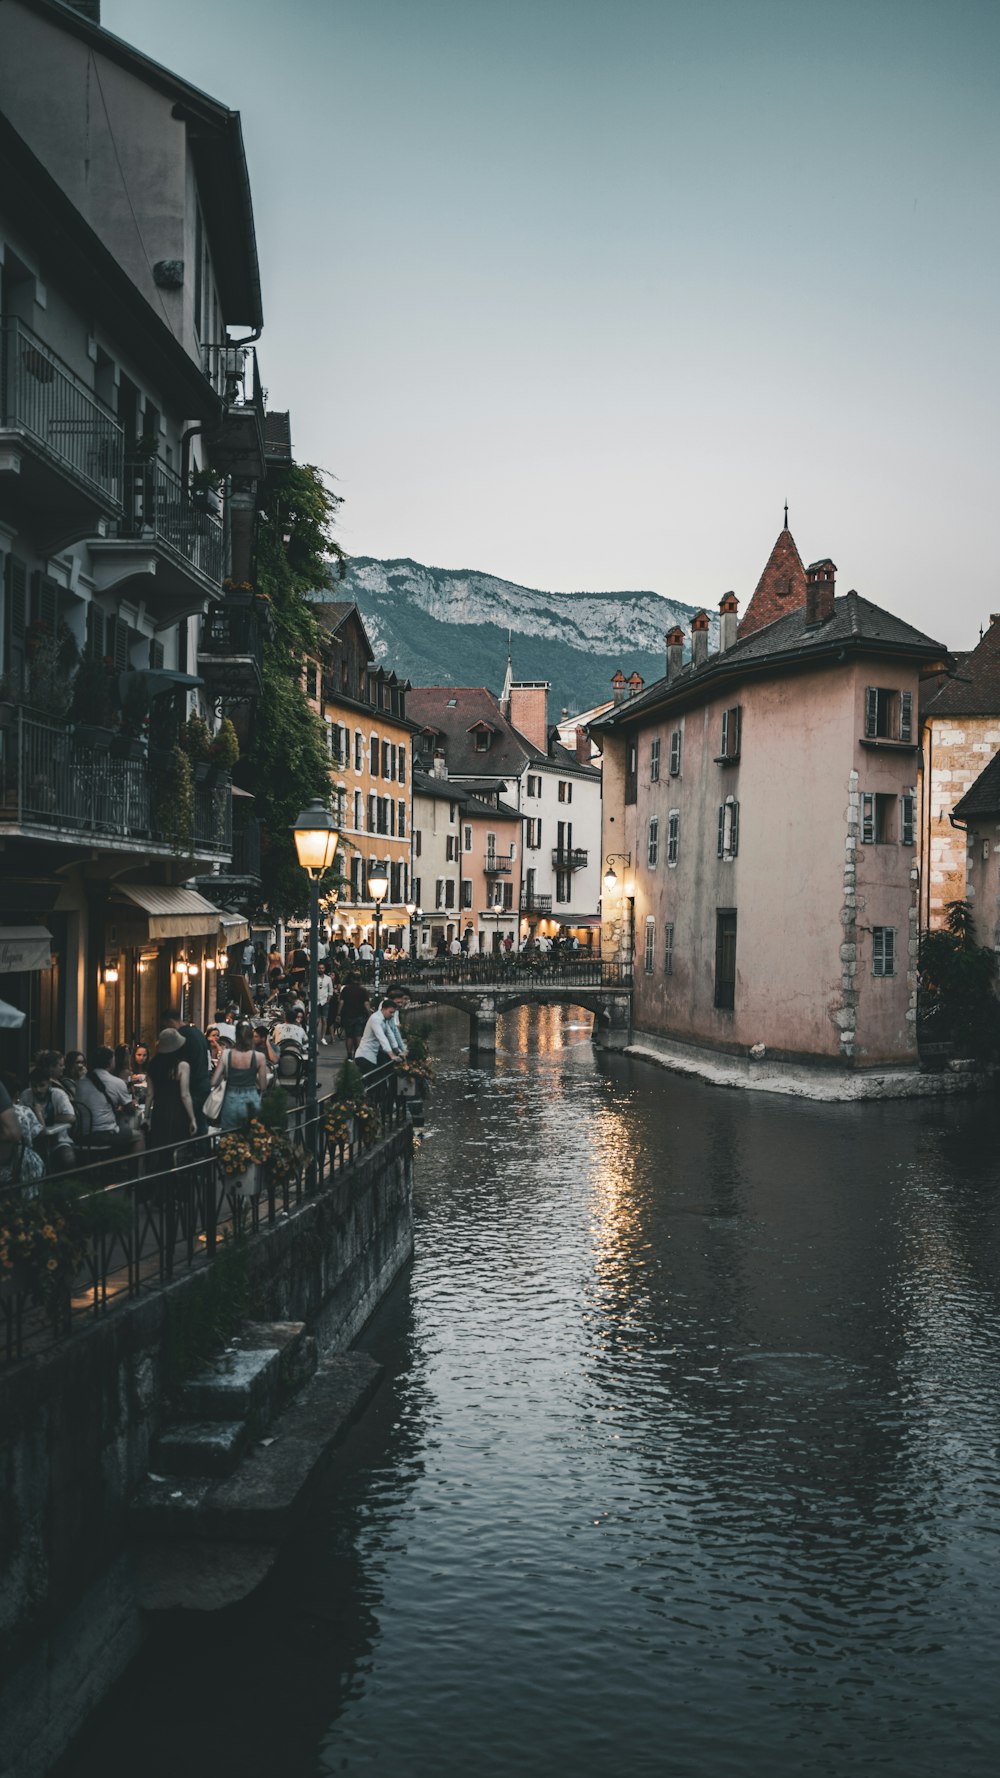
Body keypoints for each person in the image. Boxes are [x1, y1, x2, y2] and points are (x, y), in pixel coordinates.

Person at [76, 1047, 143, 1158]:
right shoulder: (116, 1082)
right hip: (104, 1135)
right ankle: (136, 1174)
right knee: (139, 1136)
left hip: (81, 1135)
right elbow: (130, 1110)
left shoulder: (81, 1081)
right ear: (111, 1061)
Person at [146, 1029, 197, 1154]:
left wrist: (147, 1116)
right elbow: (185, 1095)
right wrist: (192, 1118)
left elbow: (149, 1094)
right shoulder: (182, 1066)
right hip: (177, 1111)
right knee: (177, 1149)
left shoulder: (152, 1064)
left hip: (159, 1110)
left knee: (160, 1148)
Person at [210, 1020, 268, 1130]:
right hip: (251, 1099)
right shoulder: (259, 1057)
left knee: (229, 1136)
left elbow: (213, 1082)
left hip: (230, 1100)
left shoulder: (226, 1054)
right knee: (251, 1134)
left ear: (236, 1036)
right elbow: (263, 1086)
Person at [162, 1007, 211, 1134]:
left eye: (166, 1026)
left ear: (171, 1022)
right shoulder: (197, 1032)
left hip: (192, 1085)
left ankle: (195, 1151)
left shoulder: (181, 1036)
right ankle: (203, 1151)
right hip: (203, 1082)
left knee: (190, 1124)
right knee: (201, 1122)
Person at [21, 1067, 76, 1171]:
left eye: (42, 1085)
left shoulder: (58, 1094)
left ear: (49, 1084)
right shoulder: (26, 1095)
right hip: (34, 1141)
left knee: (68, 1158)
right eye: (34, 1086)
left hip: (59, 1140)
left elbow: (71, 1117)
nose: (38, 1090)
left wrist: (44, 1117)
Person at [355, 996, 407, 1074]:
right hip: (365, 1055)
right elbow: (382, 1038)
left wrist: (399, 1051)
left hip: (371, 1056)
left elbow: (391, 1036)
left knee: (378, 1081)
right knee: (375, 1083)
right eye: (391, 1012)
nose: (392, 1015)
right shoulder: (375, 1019)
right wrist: (392, 1055)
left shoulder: (384, 1020)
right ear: (383, 1009)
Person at [338, 973, 371, 1060]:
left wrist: (338, 1014)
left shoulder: (345, 989)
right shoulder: (363, 990)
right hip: (360, 1015)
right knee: (358, 1035)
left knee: (349, 1036)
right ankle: (358, 1053)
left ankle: (349, 1054)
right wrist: (369, 1014)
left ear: (351, 979)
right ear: (360, 980)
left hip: (347, 1015)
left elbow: (341, 1002)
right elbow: (366, 1004)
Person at [315, 962, 335, 1045]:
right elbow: (310, 989)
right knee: (316, 1020)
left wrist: (328, 999)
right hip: (316, 1001)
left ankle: (323, 1037)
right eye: (319, 968)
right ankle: (314, 1036)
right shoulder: (314, 978)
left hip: (324, 1001)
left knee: (324, 1020)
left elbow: (331, 990)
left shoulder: (328, 979)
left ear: (324, 969)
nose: (321, 970)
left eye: (322, 968)